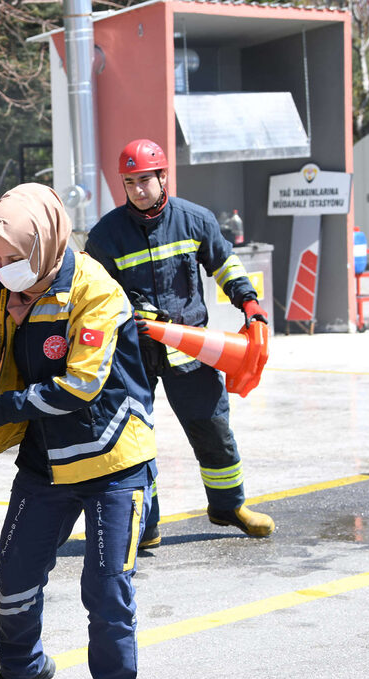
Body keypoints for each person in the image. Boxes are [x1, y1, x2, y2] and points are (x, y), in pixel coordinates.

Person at [0, 183, 155, 679]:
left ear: (47, 240)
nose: (4, 270)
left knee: (107, 589)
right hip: (46, 460)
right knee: (14, 575)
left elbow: (80, 386)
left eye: (13, 258)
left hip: (112, 459)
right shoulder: (14, 287)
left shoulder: (95, 291)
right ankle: (25, 665)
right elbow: (7, 355)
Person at [85, 138, 274, 548]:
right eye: (129, 182)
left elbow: (225, 265)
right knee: (133, 439)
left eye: (144, 181)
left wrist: (251, 306)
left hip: (191, 350)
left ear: (163, 176)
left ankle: (228, 506)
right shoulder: (105, 236)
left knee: (212, 427)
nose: (137, 190)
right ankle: (144, 526)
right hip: (133, 355)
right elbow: (95, 294)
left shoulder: (195, 220)